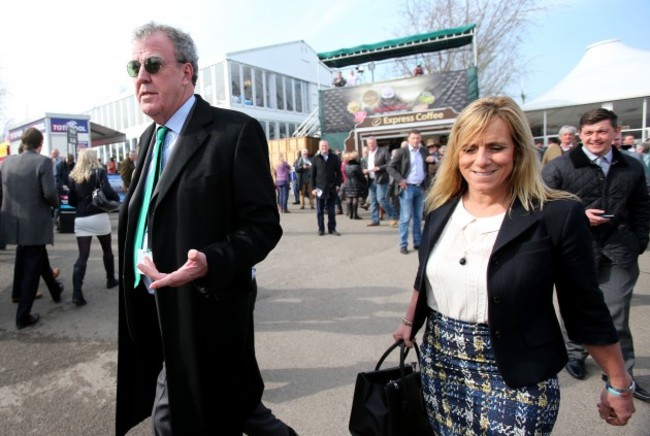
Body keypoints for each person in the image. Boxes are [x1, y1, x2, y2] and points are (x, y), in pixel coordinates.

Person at [393, 96, 635, 434]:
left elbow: (585, 307)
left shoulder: (556, 214)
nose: (481, 160)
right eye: (469, 148)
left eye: (495, 147)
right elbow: (427, 277)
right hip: (441, 363)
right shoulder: (440, 208)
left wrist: (619, 382)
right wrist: (409, 321)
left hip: (518, 373)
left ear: (518, 150)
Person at [116, 22, 293, 436]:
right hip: (154, 310)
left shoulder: (234, 132)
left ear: (187, 72)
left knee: (181, 417)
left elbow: (263, 226)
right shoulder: (148, 139)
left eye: (153, 64)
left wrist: (210, 261)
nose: (141, 76)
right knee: (231, 410)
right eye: (134, 67)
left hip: (205, 312)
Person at [542, 107, 650, 403]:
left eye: (602, 131)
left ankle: (621, 375)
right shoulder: (561, 167)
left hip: (619, 249)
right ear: (579, 135)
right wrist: (578, 215)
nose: (595, 138)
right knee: (576, 306)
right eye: (588, 133)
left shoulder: (632, 166)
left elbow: (642, 205)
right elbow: (541, 203)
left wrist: (639, 240)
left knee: (615, 311)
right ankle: (575, 353)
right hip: (576, 249)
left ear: (615, 133)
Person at [0, 128, 63, 329]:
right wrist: (56, 205)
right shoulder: (43, 162)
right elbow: (50, 193)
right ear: (40, 143)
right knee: (32, 267)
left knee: (29, 255)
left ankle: (49, 290)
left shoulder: (7, 162)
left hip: (14, 220)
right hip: (35, 222)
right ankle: (23, 315)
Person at [67, 149, 120, 306]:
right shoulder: (99, 173)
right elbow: (110, 193)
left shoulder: (73, 176)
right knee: (107, 250)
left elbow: (71, 201)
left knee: (82, 256)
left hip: (81, 219)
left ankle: (77, 293)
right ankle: (110, 279)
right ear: (93, 158)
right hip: (99, 216)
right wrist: (116, 199)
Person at [387, 130, 431, 254]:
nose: (416, 140)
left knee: (418, 217)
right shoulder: (402, 152)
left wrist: (433, 160)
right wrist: (400, 179)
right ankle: (403, 244)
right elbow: (390, 167)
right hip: (407, 188)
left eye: (418, 138)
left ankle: (418, 243)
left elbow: (427, 167)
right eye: (413, 138)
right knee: (406, 218)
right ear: (409, 139)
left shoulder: (423, 151)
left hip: (420, 187)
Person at [362, 137, 398, 227]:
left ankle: (394, 216)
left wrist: (379, 168)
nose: (371, 145)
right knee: (373, 201)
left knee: (381, 199)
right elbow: (363, 165)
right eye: (369, 143)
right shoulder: (367, 155)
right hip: (371, 179)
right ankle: (375, 220)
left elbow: (390, 163)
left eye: (373, 143)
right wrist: (364, 170)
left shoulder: (383, 151)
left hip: (381, 179)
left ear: (376, 143)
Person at [311, 139, 342, 236]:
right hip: (319, 189)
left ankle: (332, 229)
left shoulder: (334, 158)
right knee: (320, 211)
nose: (324, 147)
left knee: (331, 210)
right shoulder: (315, 159)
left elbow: (339, 173)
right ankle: (321, 229)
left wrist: (337, 185)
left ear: (328, 147)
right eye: (322, 146)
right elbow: (312, 175)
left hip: (332, 188)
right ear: (319, 148)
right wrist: (313, 188)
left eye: (325, 146)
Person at [342, 150, 366, 220]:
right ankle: (355, 214)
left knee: (349, 198)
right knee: (355, 198)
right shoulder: (356, 166)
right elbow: (361, 176)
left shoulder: (346, 166)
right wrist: (364, 180)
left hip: (348, 182)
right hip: (355, 182)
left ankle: (350, 214)